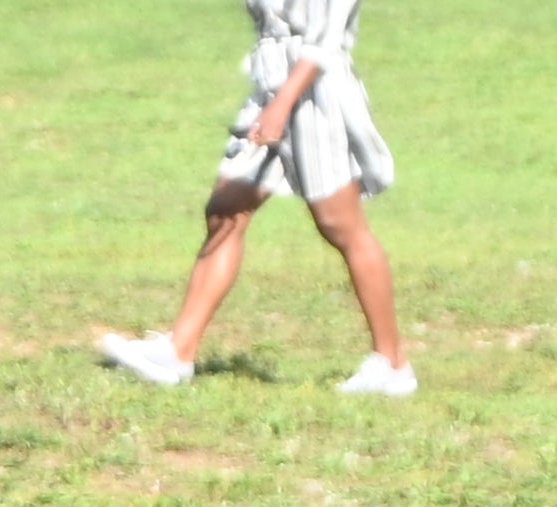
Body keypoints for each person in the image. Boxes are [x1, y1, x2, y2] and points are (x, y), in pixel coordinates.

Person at [96, 0, 414, 400]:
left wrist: (281, 106)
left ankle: (392, 364)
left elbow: (326, 38)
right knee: (225, 212)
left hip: (316, 96)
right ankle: (178, 352)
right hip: (271, 90)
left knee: (341, 224)